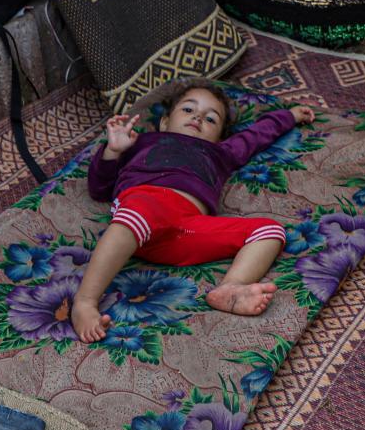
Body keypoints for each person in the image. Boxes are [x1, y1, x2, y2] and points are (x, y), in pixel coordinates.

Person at [72, 80, 316, 342]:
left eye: (211, 119)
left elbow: (255, 136)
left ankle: (231, 287)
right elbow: (99, 188)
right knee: (138, 212)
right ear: (165, 122)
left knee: (270, 231)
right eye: (188, 110)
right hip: (141, 213)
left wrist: (289, 116)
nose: (198, 117)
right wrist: (112, 151)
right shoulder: (142, 142)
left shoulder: (220, 153)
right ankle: (85, 301)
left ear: (219, 137)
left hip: (186, 230)